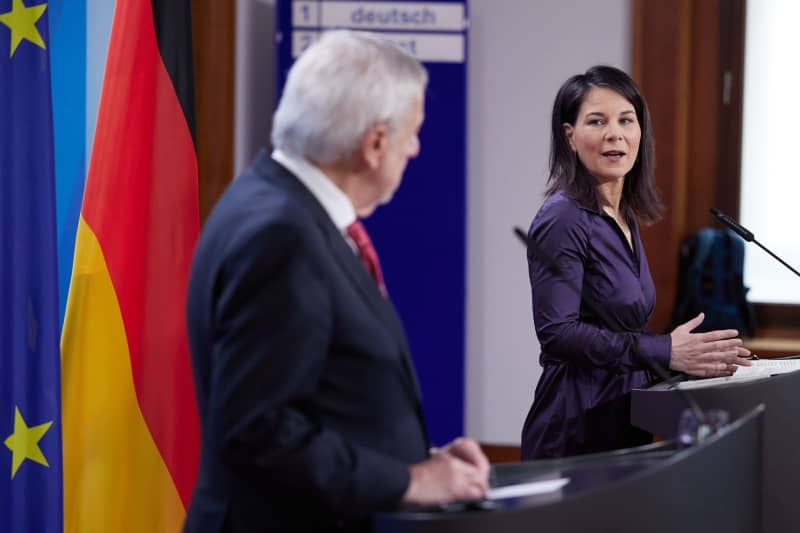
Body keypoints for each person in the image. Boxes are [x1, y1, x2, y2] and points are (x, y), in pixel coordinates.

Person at [183, 30, 489, 533]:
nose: (414, 149)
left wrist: (419, 463)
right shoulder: (280, 236)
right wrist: (410, 482)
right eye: (413, 132)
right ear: (374, 143)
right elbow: (259, 431)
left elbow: (321, 396)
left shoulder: (274, 201)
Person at [521, 65, 752, 460]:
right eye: (597, 121)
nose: (615, 133)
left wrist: (692, 359)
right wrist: (663, 350)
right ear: (570, 136)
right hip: (576, 428)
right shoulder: (564, 218)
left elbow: (620, 328)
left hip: (624, 417)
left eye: (626, 120)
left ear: (640, 133)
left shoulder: (622, 214)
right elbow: (558, 333)